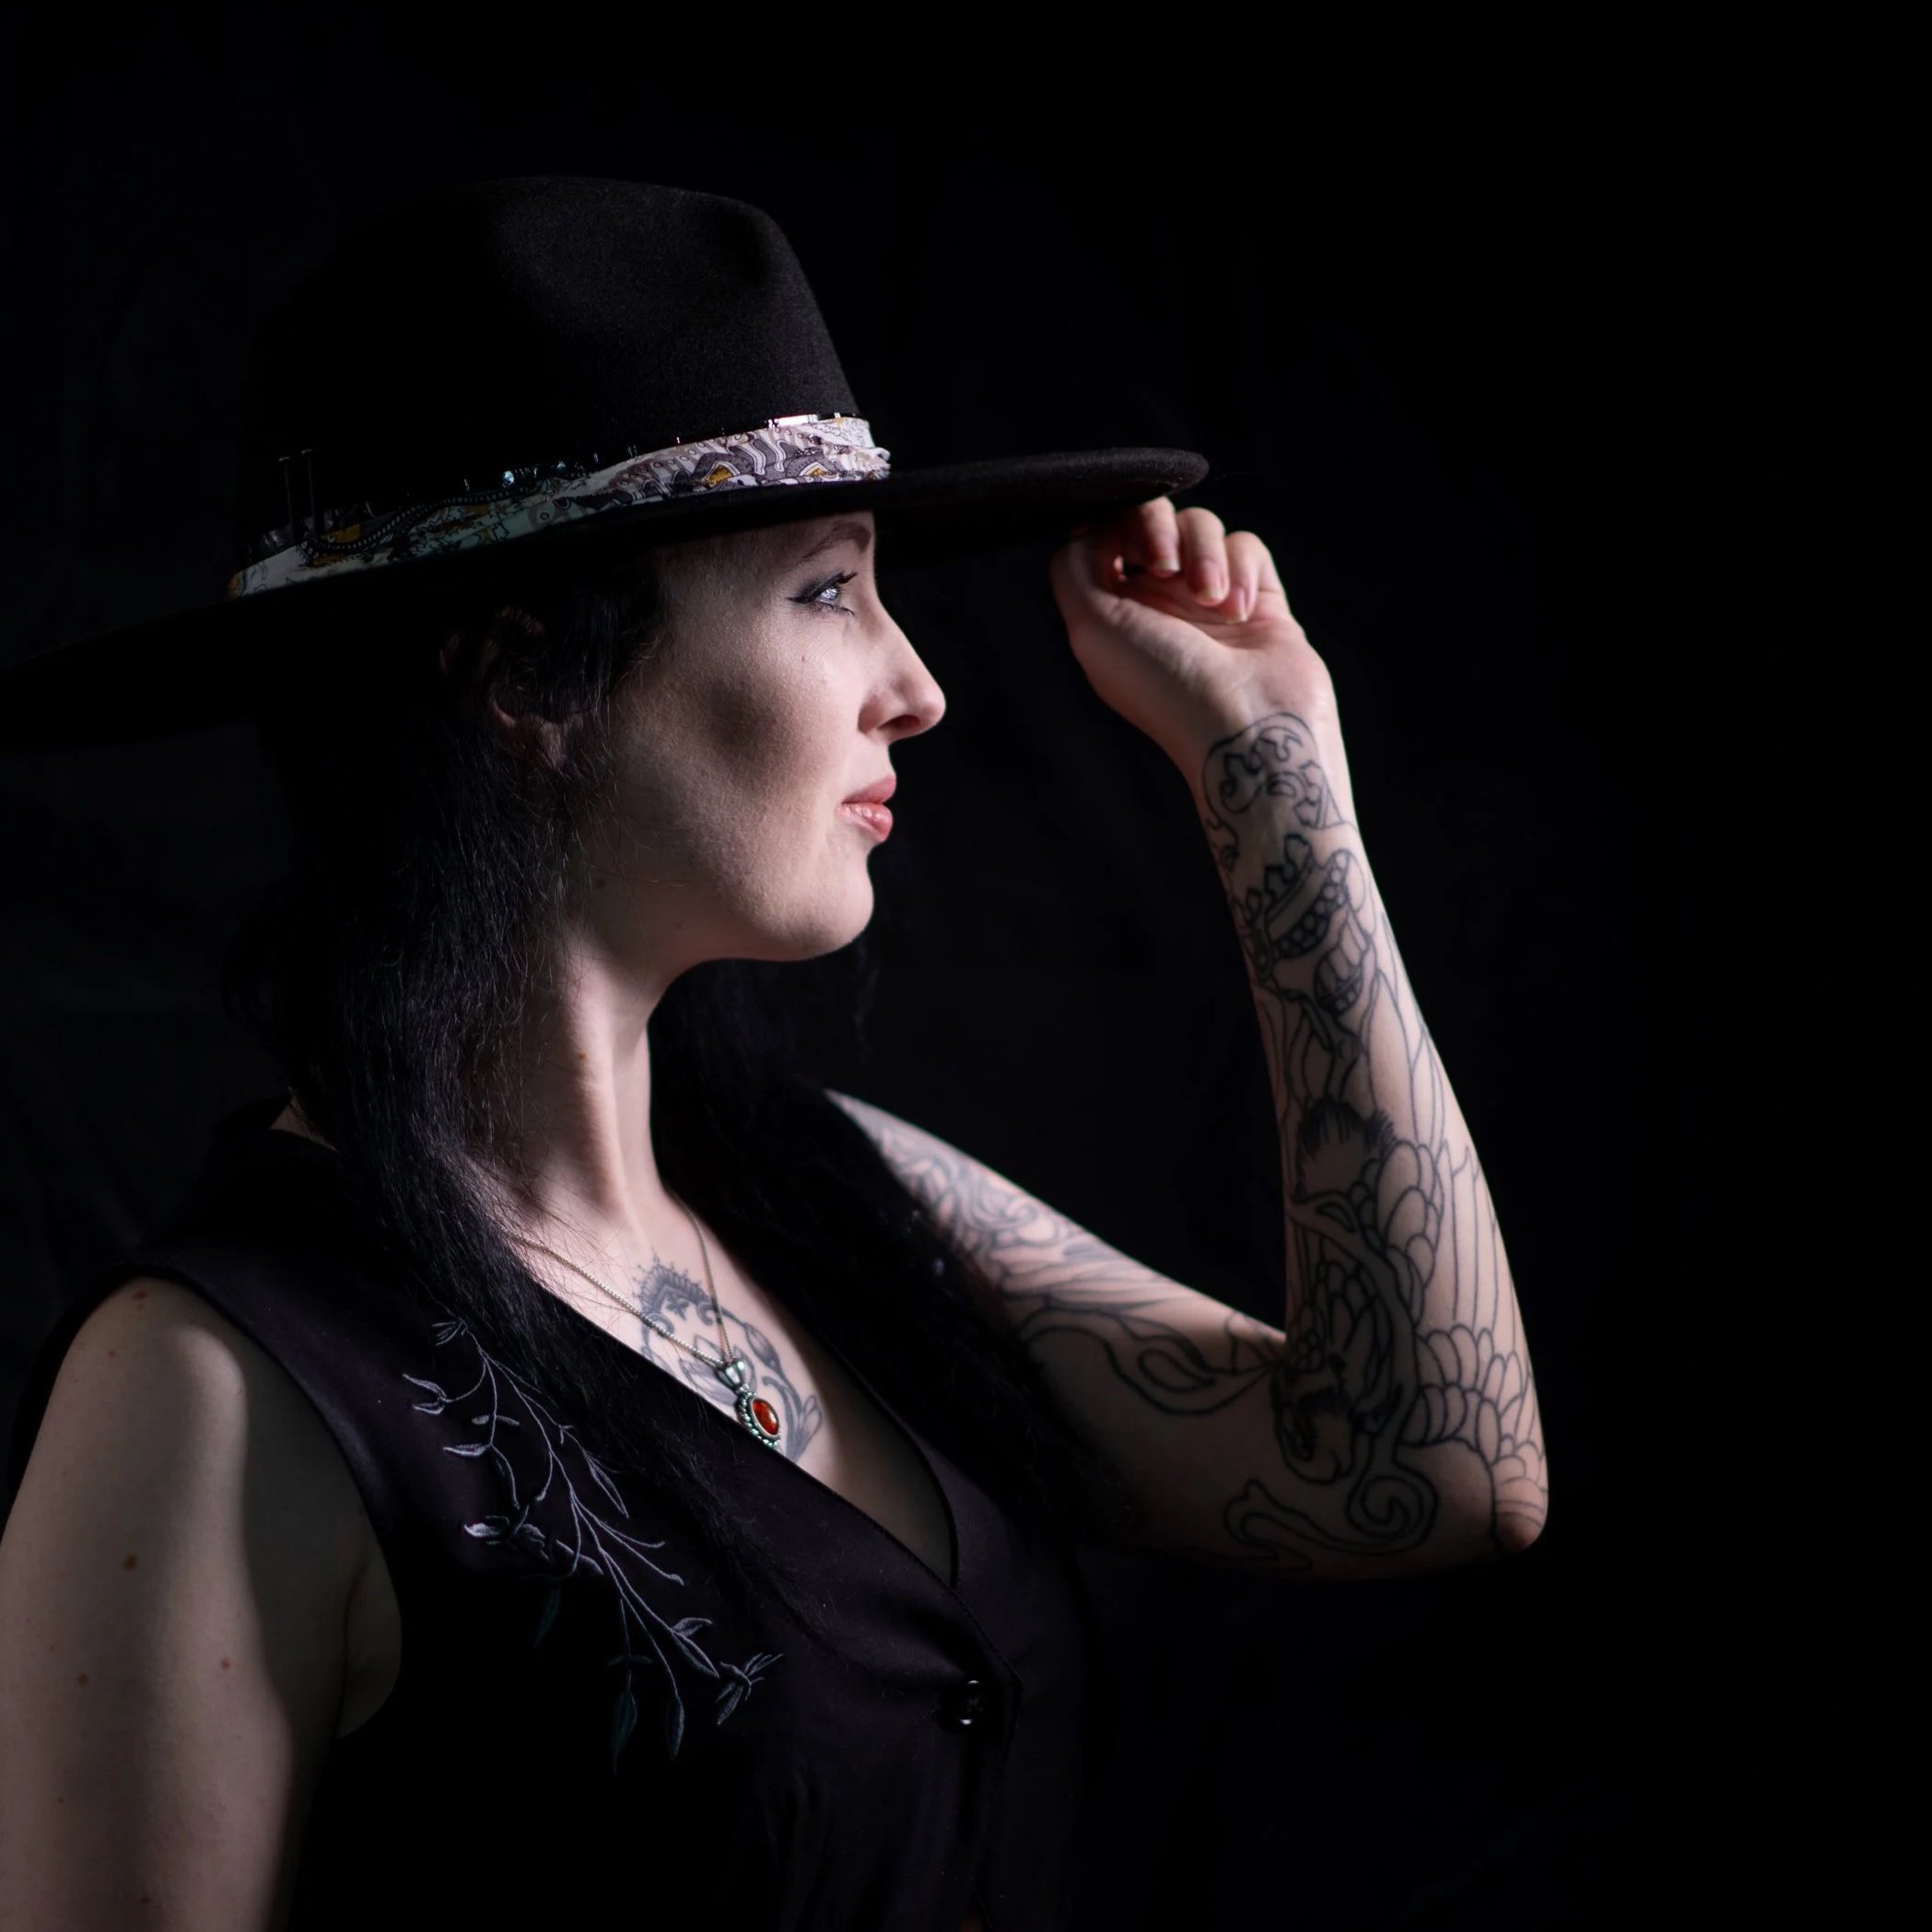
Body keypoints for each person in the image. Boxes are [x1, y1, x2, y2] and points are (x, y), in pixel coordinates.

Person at [0, 177, 1547, 1930]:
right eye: (826, 591)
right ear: (529, 678)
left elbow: (1425, 1473)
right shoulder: (214, 1390)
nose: (916, 686)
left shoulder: (839, 1196)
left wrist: (1276, 773)